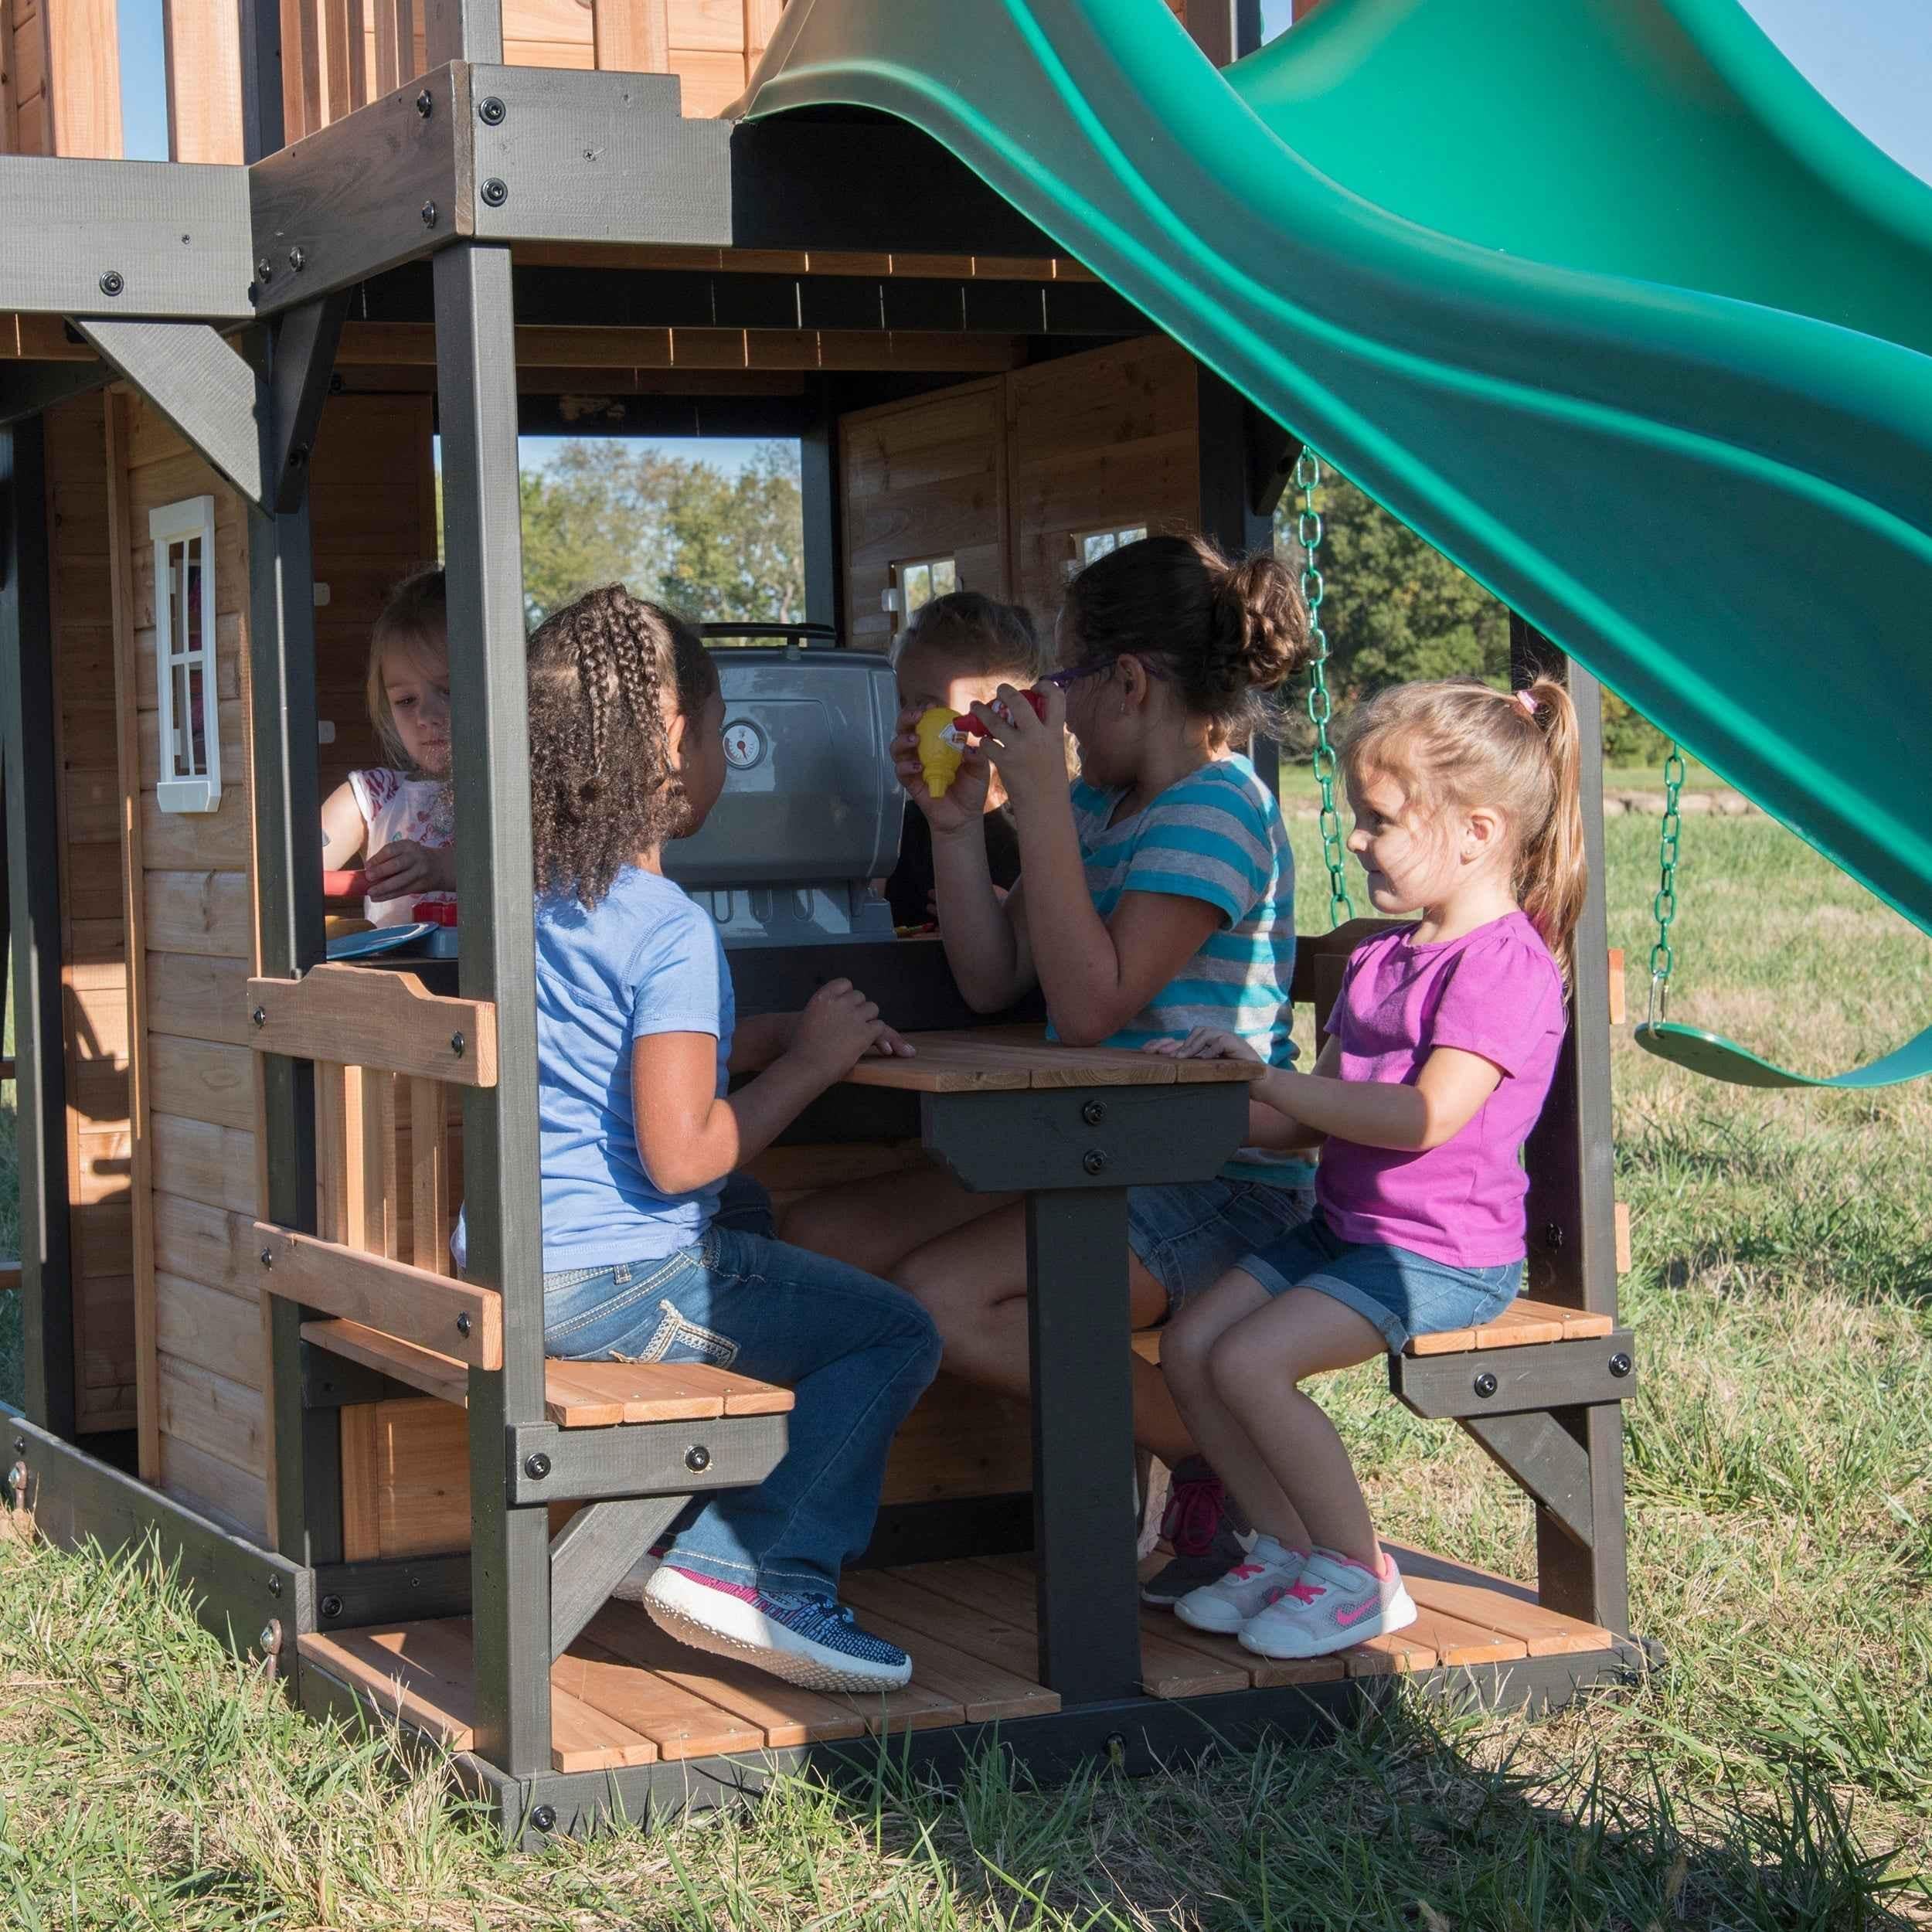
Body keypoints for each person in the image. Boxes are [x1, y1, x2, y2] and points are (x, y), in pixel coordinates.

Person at [782, 533, 1316, 1610]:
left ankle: (1212, 1452)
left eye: (1061, 681)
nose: (1051, 707)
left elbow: (1089, 1008)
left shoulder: (1217, 809)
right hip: (1086, 1145)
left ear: (1126, 683)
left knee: (946, 1298)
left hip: (1212, 1175)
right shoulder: (1095, 810)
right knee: (815, 1243)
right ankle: (773, 1531)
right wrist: (954, 828)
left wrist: (1033, 806)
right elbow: (992, 982)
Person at [522, 584, 942, 1692]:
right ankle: (757, 1571)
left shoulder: (538, 898)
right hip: (617, 1283)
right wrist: (811, 1065)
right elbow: (682, 1157)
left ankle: (667, 1539)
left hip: (523, 1264)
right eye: (715, 734)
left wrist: (751, 1040)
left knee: (756, 1228)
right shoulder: (667, 925)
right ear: (677, 740)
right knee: (890, 1334)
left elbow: (602, 1059)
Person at [1152, 676, 1581, 1658]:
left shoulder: (1501, 968)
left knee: (1252, 1361)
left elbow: (1422, 1116)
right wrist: (1204, 1108)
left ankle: (1357, 1573)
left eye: (1377, 818)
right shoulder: (1381, 960)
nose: (1353, 837)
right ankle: (1282, 1546)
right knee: (1192, 1350)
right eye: (1354, 814)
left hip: (1440, 1257)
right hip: (1343, 1233)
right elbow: (1308, 1122)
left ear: (1475, 833)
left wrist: (1279, 1084)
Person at [882, 590, 1045, 928]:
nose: (911, 717)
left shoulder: (1035, 829)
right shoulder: (894, 829)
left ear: (1001, 715)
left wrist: (1010, 910)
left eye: (930, 705)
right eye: (901, 702)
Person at [320, 566, 457, 927]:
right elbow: (290, 867)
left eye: (450, 690)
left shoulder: (526, 792)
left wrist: (444, 868)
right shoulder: (376, 797)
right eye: (407, 701)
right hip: (391, 985)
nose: (426, 716)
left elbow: (546, 869)